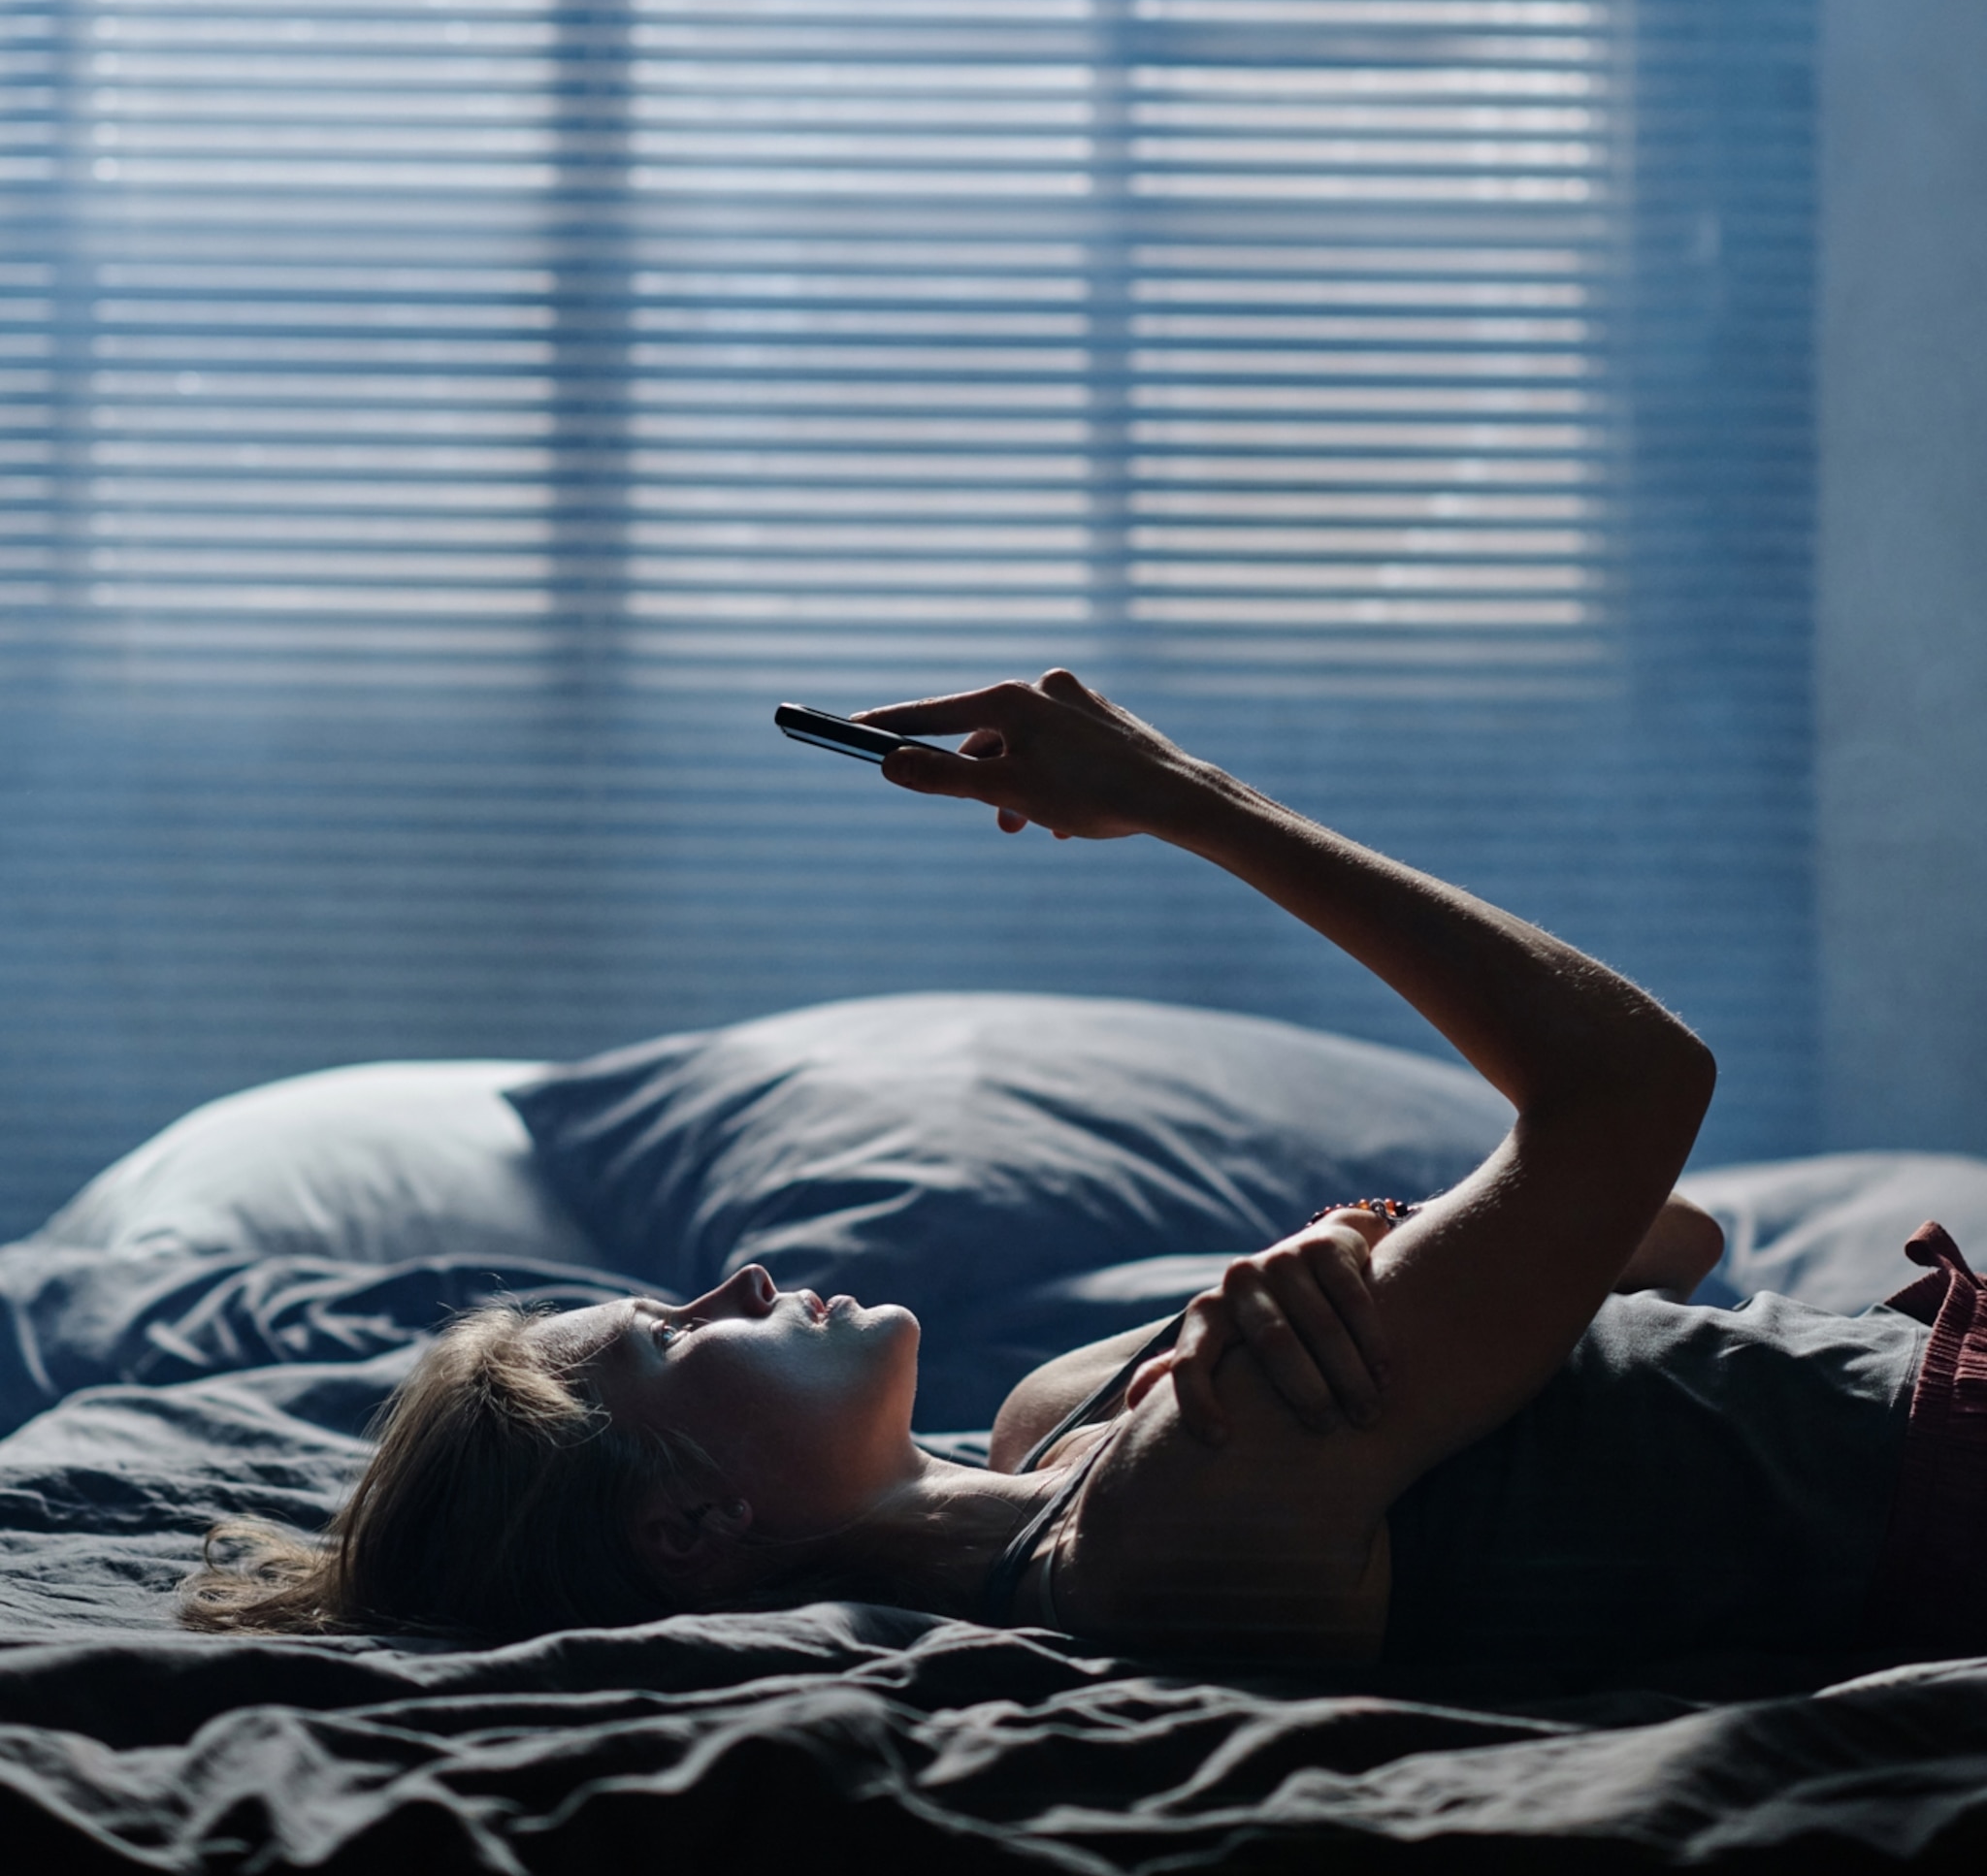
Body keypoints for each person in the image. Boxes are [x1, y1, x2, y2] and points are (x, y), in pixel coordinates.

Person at [181, 671, 1972, 1691]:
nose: (727, 1276)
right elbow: (1640, 1089)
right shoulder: (1162, 1517)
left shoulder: (1073, 1409)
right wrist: (1182, 797)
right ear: (692, 1527)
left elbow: (1672, 1245)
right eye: (665, 1337)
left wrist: (1390, 1245)